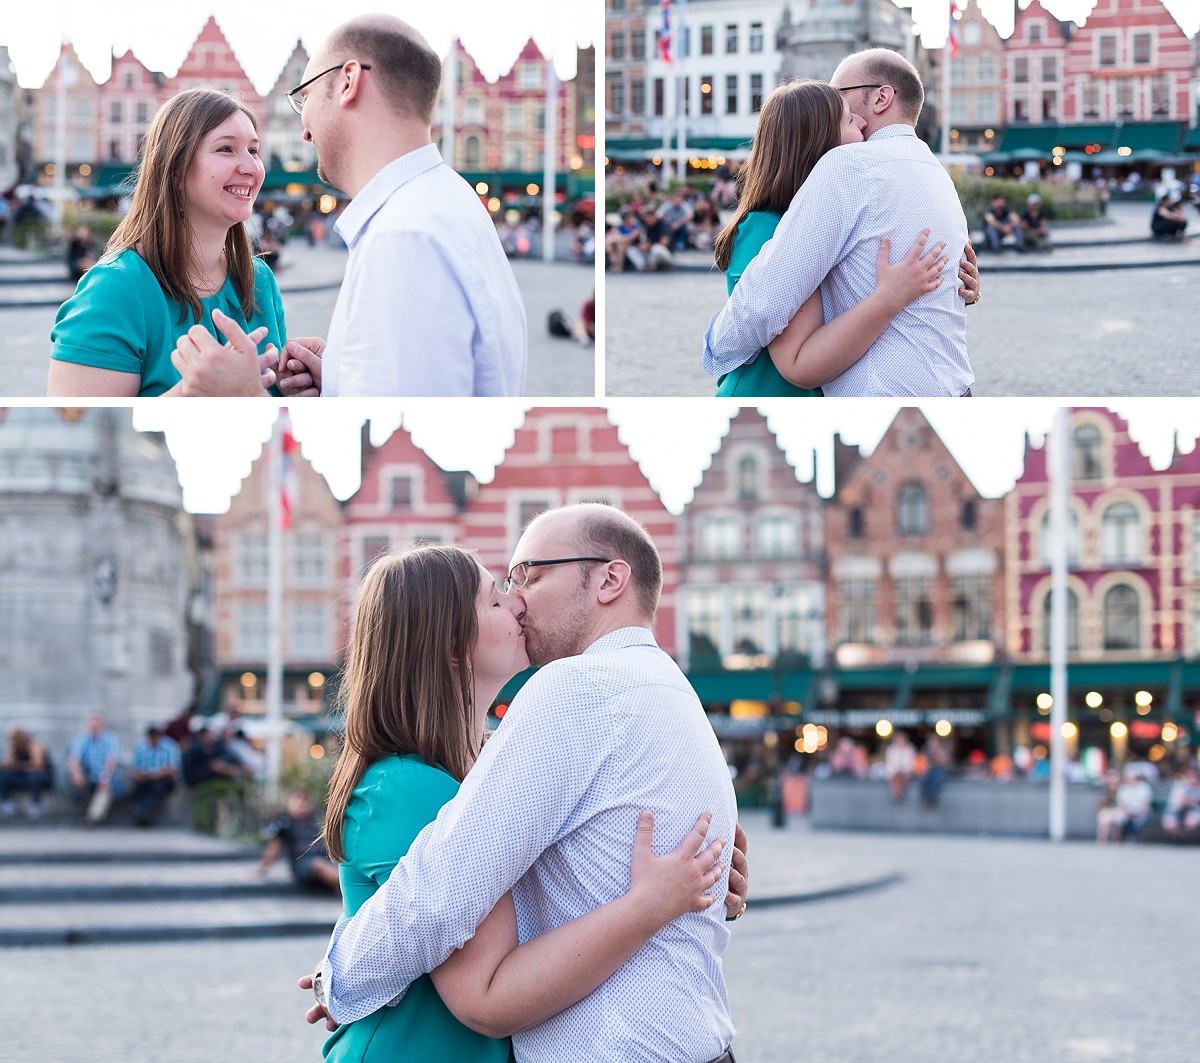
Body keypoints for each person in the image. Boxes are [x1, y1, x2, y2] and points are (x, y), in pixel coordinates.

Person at [306, 507, 744, 1061]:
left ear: (609, 579)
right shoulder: (673, 692)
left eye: (530, 577)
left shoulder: (575, 690)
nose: (517, 600)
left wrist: (340, 975)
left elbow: (440, 899)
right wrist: (681, 898)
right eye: (501, 590)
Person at [260, 14, 526, 398]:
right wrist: (339, 378)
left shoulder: (404, 237)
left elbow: (403, 416)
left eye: (306, 97)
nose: (305, 128)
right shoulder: (447, 198)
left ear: (348, 81)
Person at [703, 49, 975, 398]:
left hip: (887, 393)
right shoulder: (938, 174)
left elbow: (764, 303)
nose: (851, 119)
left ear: (881, 97)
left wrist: (714, 344)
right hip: (954, 388)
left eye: (839, 95)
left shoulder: (849, 166)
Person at [47, 88, 303, 397]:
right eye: (226, 149)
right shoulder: (114, 290)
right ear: (176, 169)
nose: (250, 167)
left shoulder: (260, 280)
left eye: (253, 150)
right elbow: (84, 429)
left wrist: (302, 384)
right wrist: (194, 394)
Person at [257, 790, 341, 895]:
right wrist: (262, 869)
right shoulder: (285, 824)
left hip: (323, 859)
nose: (303, 806)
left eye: (305, 803)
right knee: (319, 865)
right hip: (303, 864)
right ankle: (343, 887)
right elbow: (274, 848)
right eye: (299, 803)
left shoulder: (313, 822)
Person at [66, 714, 123, 825]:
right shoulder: (82, 738)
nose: (94, 726)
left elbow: (112, 761)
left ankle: (94, 817)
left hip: (106, 775)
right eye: (91, 723)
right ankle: (82, 806)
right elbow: (74, 758)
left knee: (106, 787)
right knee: (70, 778)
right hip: (88, 775)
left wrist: (105, 778)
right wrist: (77, 774)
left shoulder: (110, 739)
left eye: (96, 723)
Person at [129, 725, 182, 826]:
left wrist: (158, 774)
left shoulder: (169, 745)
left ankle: (144, 812)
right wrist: (142, 774)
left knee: (156, 787)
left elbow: (173, 768)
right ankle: (142, 811)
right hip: (145, 779)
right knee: (138, 787)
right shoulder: (141, 746)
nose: (154, 739)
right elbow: (134, 768)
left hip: (163, 779)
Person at [0, 728, 52, 819]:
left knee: (34, 776)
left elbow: (38, 766)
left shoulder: (34, 744)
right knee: (3, 776)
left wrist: (16, 765)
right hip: (22, 776)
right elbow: (8, 763)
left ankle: (36, 805)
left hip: (41, 777)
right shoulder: (14, 747)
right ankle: (8, 803)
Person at [1161, 763, 1200, 840]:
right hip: (1175, 809)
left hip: (1192, 810)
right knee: (1170, 825)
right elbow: (1182, 803)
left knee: (1191, 822)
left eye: (1196, 778)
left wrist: (1191, 802)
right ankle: (1179, 838)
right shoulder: (1180, 786)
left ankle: (1185, 838)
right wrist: (1192, 802)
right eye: (1191, 777)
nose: (1194, 780)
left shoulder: (1198, 788)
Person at [884, 730, 916, 803]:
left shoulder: (910, 749)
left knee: (902, 776)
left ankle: (899, 793)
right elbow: (889, 763)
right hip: (894, 772)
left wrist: (904, 770)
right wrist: (895, 771)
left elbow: (911, 764)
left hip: (906, 772)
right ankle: (897, 793)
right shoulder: (891, 749)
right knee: (895, 777)